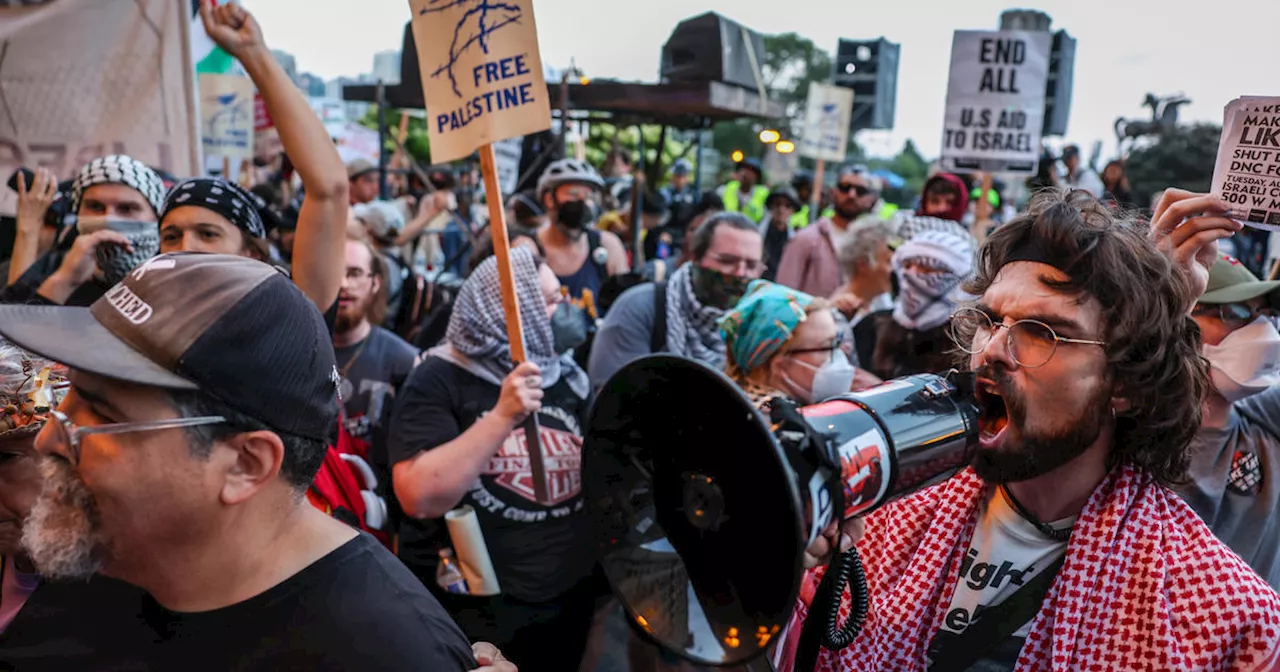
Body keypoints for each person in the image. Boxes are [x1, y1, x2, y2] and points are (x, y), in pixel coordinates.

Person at [775, 188, 1280, 671]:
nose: (992, 349)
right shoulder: (881, 518)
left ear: (1125, 382)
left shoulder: (1222, 618)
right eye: (991, 320)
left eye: (1041, 332)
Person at [0, 250, 479, 670]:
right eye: (68, 401)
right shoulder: (97, 558)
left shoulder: (384, 651)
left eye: (99, 413)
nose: (46, 439)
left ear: (246, 464)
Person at [390, 247, 596, 672]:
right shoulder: (440, 376)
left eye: (560, 297)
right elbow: (419, 495)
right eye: (548, 301)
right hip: (481, 609)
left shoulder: (566, 373)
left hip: (567, 596)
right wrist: (503, 416)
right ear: (506, 312)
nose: (563, 310)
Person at [1177, 254, 1280, 590]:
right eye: (1235, 312)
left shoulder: (1264, 415)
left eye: (1264, 314)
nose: (1261, 331)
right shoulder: (1135, 437)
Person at [588, 212, 763, 392]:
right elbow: (613, 402)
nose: (741, 273)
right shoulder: (641, 308)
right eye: (727, 261)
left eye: (751, 265)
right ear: (695, 257)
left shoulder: (759, 326)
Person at [1, 155, 166, 307]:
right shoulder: (60, 270)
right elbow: (13, 327)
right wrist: (63, 282)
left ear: (156, 217)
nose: (107, 219)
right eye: (95, 207)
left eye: (127, 208)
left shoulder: (170, 281)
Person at [334, 236, 419, 451]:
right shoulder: (298, 352)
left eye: (354, 273)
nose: (344, 284)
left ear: (375, 283)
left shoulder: (405, 361)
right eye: (334, 272)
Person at [720, 281, 857, 407]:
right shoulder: (771, 424)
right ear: (779, 365)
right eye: (827, 346)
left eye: (837, 342)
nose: (841, 354)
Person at [870, 228, 975, 380]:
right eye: (906, 266)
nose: (912, 275)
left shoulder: (970, 341)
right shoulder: (874, 325)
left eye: (926, 269)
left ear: (958, 277)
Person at [534, 159, 627, 322]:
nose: (582, 202)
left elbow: (625, 308)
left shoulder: (608, 246)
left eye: (588, 197)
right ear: (550, 199)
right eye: (573, 194)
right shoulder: (530, 248)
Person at [775, 166, 880, 298]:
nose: (851, 195)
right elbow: (783, 294)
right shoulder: (806, 239)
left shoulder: (871, 245)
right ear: (833, 192)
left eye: (860, 191)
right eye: (845, 188)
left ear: (870, 199)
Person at [760, 186, 801, 282]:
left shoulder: (795, 240)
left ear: (793, 211)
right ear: (771, 207)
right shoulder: (757, 234)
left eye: (787, 206)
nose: (781, 210)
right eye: (777, 204)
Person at [721, 158, 769, 223]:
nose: (744, 173)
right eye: (743, 169)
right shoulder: (727, 189)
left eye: (750, 171)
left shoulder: (764, 195)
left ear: (757, 177)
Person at [662, 158, 698, 235]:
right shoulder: (666, 193)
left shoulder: (693, 194)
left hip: (685, 233)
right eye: (678, 176)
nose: (680, 179)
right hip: (667, 232)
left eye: (683, 176)